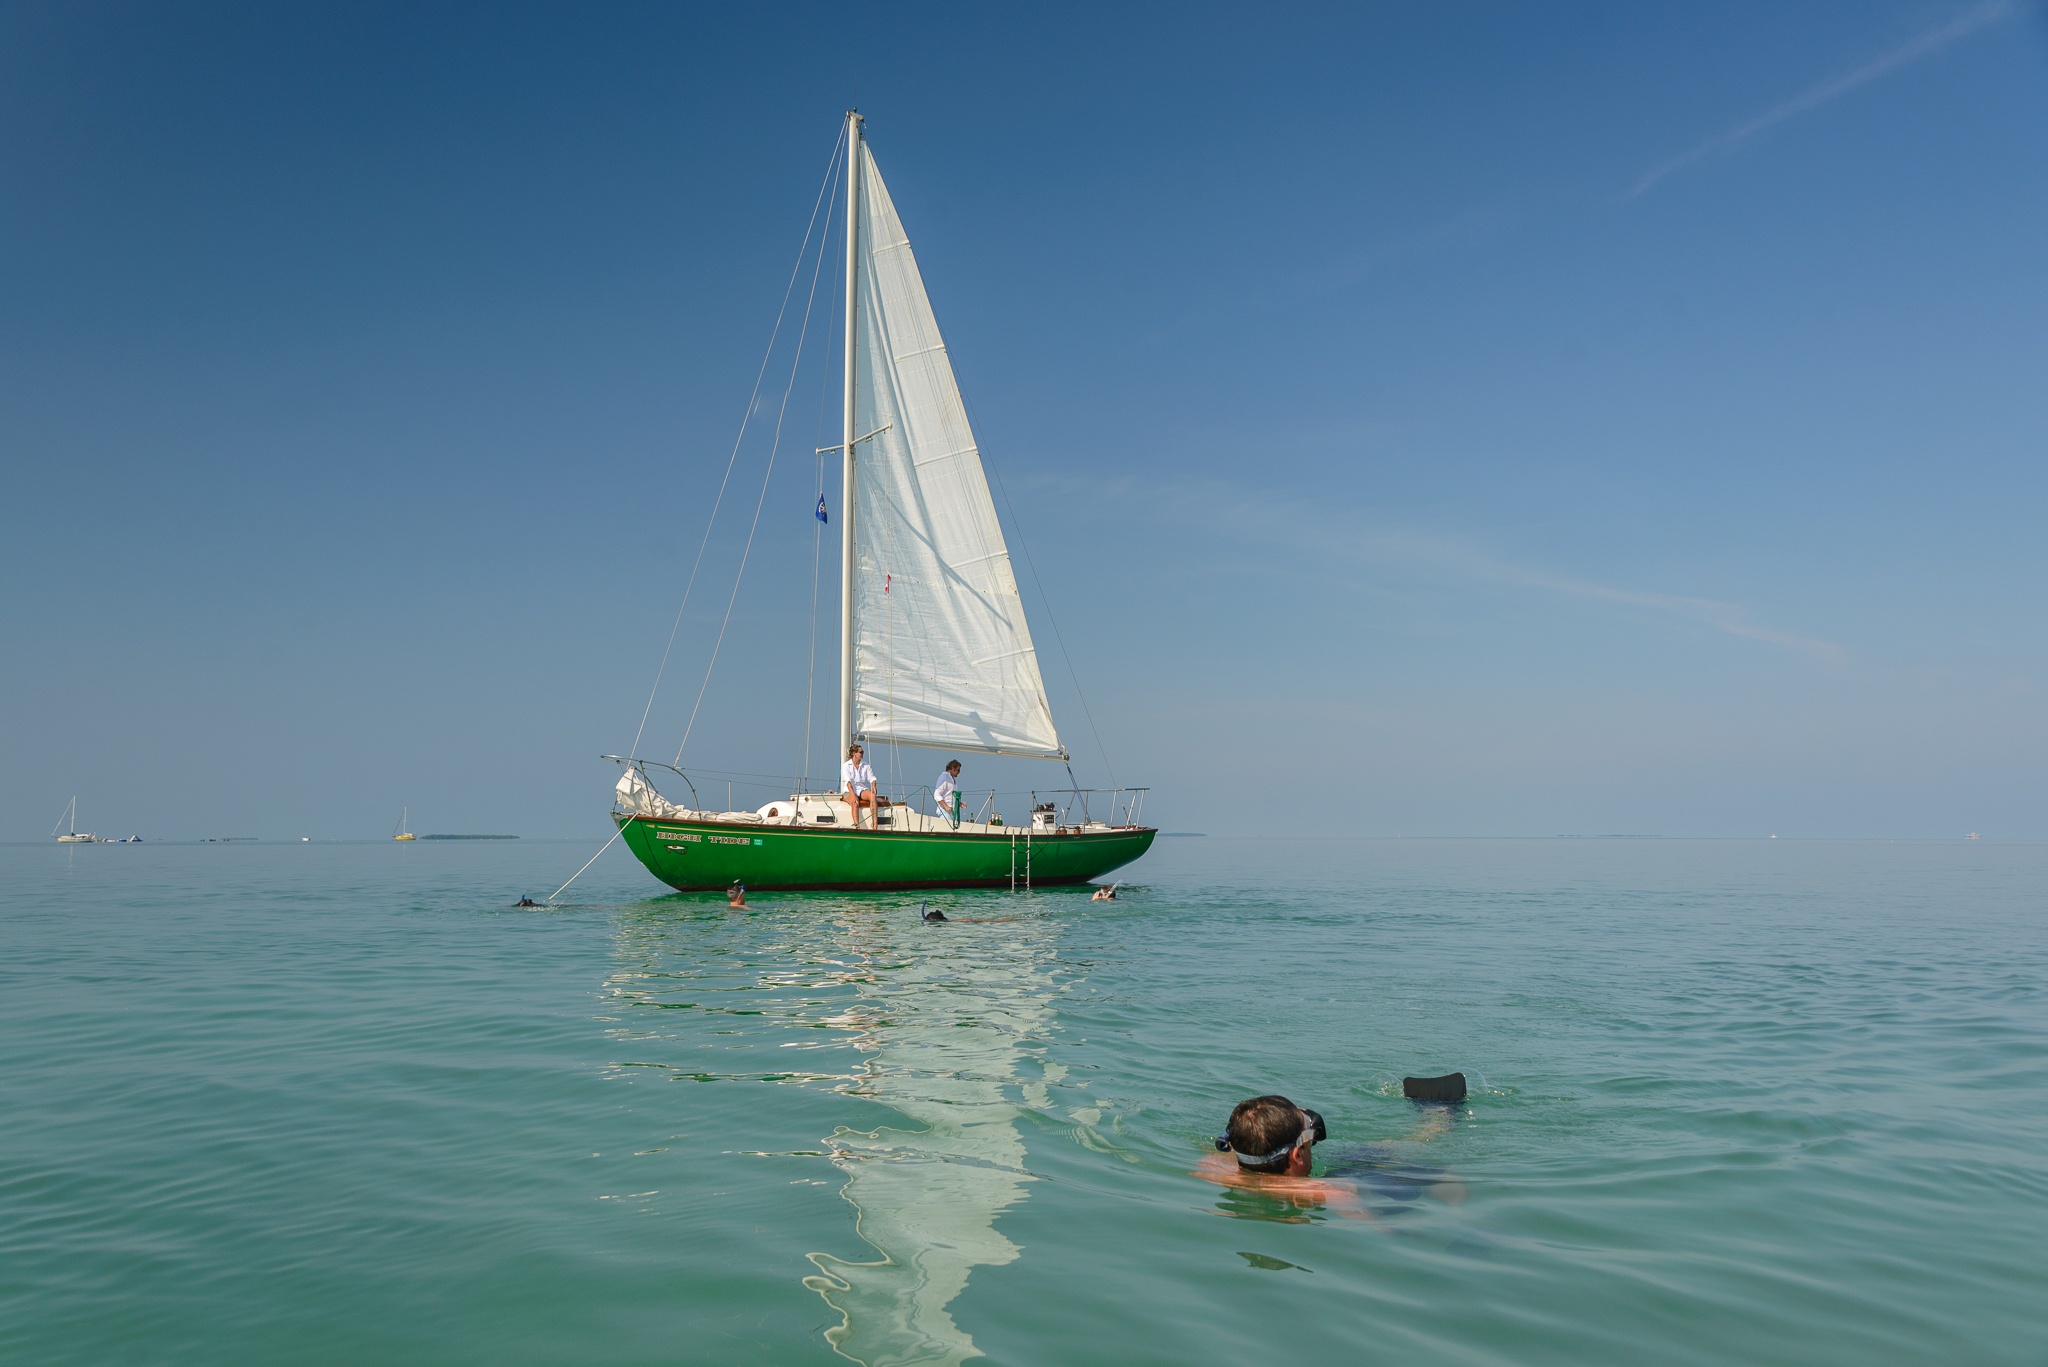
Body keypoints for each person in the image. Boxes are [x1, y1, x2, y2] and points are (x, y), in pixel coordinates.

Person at [841, 744, 887, 830]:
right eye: (861, 752)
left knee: (872, 796)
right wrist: (852, 794)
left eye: (863, 752)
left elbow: (872, 778)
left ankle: (875, 823)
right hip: (849, 790)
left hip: (861, 788)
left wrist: (873, 786)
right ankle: (856, 825)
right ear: (855, 753)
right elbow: (848, 782)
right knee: (855, 802)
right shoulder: (846, 765)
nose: (862, 754)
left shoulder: (865, 765)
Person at [934, 760, 963, 826]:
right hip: (945, 811)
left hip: (952, 811)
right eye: (958, 770)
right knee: (946, 829)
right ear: (952, 768)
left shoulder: (952, 779)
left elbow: (951, 796)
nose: (959, 772)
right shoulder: (944, 777)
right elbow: (937, 794)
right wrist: (946, 806)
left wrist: (960, 803)